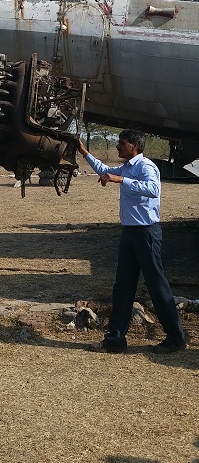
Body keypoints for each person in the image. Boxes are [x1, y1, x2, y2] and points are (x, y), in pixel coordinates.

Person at [77, 129, 186, 355]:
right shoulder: (127, 167)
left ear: (134, 146)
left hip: (146, 233)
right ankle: (115, 340)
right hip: (129, 233)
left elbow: (153, 189)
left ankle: (176, 338)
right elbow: (105, 170)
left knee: (156, 285)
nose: (118, 146)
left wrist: (121, 180)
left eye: (122, 143)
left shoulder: (145, 166)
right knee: (123, 287)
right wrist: (84, 152)